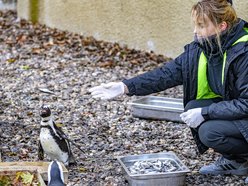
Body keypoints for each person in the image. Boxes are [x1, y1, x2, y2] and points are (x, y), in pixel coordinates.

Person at [89, 0, 248, 176]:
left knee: (209, 131)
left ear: (222, 26)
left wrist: (206, 112)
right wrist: (125, 86)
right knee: (192, 108)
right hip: (238, 109)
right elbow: (166, 74)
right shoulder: (205, 47)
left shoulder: (244, 52)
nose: (195, 31)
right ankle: (237, 161)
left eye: (201, 26)